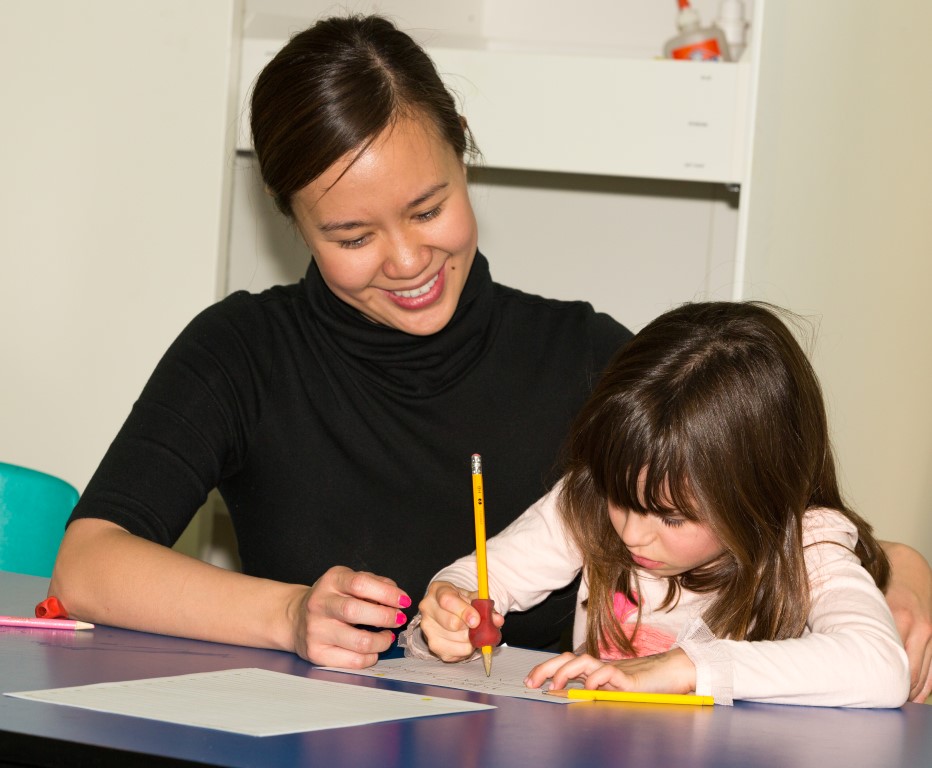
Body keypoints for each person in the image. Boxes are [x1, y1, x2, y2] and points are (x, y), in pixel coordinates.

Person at [48, 14, 931, 700]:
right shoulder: (242, 351)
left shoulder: (588, 359)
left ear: (464, 153)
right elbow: (88, 565)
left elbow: (765, 510)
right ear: (292, 221)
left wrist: (907, 570)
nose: (404, 260)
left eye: (428, 209)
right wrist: (285, 614)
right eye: (352, 235)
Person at [415, 302, 910, 707]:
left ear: (758, 493)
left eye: (672, 517)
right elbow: (483, 579)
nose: (631, 534)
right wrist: (450, 610)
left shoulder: (808, 544)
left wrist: (686, 667)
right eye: (620, 498)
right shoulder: (591, 498)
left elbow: (880, 668)